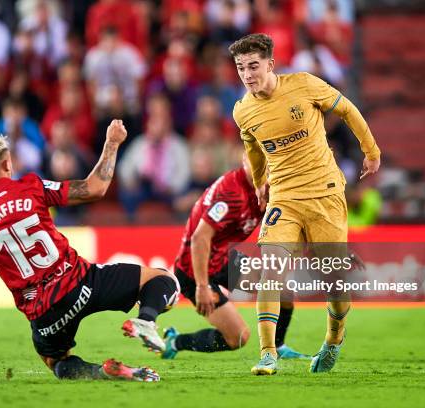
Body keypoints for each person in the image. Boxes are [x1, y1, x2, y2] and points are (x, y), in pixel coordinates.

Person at [0, 120, 180, 382]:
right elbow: (94, 189)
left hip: (45, 313)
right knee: (164, 281)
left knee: (56, 362)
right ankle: (145, 321)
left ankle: (103, 372)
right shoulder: (32, 186)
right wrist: (112, 142)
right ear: (7, 163)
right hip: (82, 284)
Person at [229, 34, 380, 374]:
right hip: (284, 196)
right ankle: (268, 352)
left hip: (324, 192)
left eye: (253, 66)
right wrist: (258, 182)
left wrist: (371, 150)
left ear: (270, 64)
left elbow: (346, 109)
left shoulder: (304, 85)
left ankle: (333, 340)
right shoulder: (243, 110)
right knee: (271, 271)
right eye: (241, 68)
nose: (248, 74)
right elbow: (252, 149)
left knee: (335, 282)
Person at [162, 154, 309, 360]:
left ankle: (278, 346)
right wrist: (202, 286)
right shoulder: (232, 194)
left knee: (283, 292)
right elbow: (199, 239)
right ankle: (175, 341)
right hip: (195, 270)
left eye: (267, 164)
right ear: (244, 160)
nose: (263, 168)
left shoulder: (267, 190)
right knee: (238, 337)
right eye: (257, 162)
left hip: (223, 259)